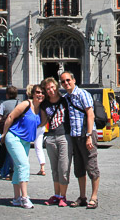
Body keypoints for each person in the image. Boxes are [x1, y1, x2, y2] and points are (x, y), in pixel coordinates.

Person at [0, 84, 47, 209]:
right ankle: (25, 197)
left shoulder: (41, 109)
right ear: (33, 93)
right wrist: (4, 134)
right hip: (14, 137)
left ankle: (16, 198)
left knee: (18, 167)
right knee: (24, 165)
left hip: (25, 141)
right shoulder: (26, 104)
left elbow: (42, 123)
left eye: (42, 93)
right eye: (38, 92)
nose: (40, 95)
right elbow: (11, 117)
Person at [61, 71, 100, 209]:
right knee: (79, 168)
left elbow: (90, 114)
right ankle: (82, 197)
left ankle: (94, 197)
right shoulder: (66, 97)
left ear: (74, 80)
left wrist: (89, 136)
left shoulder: (82, 94)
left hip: (86, 134)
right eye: (63, 81)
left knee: (91, 166)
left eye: (68, 80)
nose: (66, 83)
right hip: (75, 136)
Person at [41, 76, 71, 207]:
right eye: (48, 89)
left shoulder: (65, 101)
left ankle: (63, 196)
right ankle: (57, 195)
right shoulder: (44, 104)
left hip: (64, 136)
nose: (51, 90)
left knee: (63, 168)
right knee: (54, 169)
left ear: (56, 87)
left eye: (52, 87)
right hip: (51, 137)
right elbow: (43, 121)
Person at [0, 86, 20, 179]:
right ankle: (14, 171)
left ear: (7, 95)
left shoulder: (3, 104)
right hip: (17, 130)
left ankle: (5, 171)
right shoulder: (19, 103)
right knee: (15, 151)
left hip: (5, 130)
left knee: (5, 150)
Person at [32, 89, 47, 176]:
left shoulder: (33, 104)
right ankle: (42, 168)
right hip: (40, 127)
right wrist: (41, 125)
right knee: (39, 147)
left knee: (26, 145)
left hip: (35, 127)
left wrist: (39, 125)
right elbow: (45, 119)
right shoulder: (44, 105)